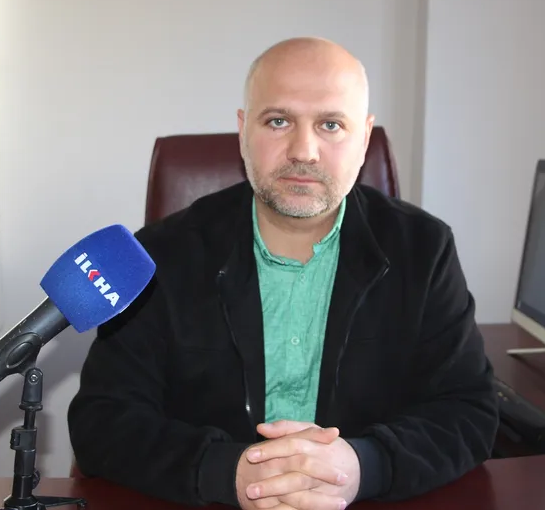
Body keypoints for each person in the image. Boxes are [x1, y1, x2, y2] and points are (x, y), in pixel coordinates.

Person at [67, 36, 499, 510]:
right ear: (242, 131)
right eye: (278, 121)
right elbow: (102, 421)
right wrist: (226, 472)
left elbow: (468, 412)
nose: (304, 151)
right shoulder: (161, 256)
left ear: (364, 139)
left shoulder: (423, 250)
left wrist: (364, 466)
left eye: (331, 124)